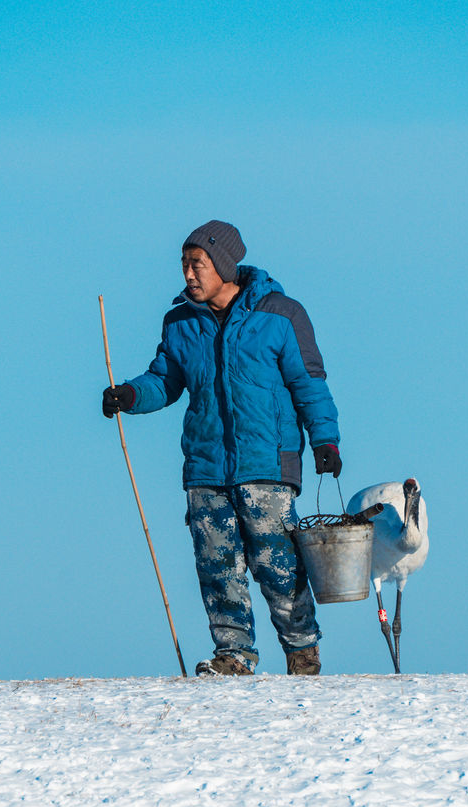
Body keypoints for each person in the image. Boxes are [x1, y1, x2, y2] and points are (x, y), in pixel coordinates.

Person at [103, 220, 341, 676]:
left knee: (278, 563)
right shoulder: (179, 324)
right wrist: (130, 396)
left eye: (198, 264)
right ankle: (234, 655)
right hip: (207, 467)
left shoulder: (281, 315)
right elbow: (165, 380)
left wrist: (325, 440)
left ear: (224, 265)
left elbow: (309, 383)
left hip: (267, 464)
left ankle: (302, 650)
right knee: (217, 565)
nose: (188, 275)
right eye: (184, 266)